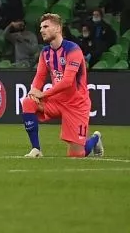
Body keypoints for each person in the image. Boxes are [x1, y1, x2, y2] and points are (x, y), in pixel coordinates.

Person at [20, 13, 104, 159]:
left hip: (76, 104)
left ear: (58, 28)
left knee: (76, 154)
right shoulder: (45, 53)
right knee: (28, 102)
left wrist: (43, 94)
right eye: (41, 27)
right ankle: (36, 149)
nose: (41, 30)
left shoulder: (73, 50)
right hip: (56, 101)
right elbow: (40, 77)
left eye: (46, 26)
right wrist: (33, 91)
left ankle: (95, 139)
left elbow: (68, 82)